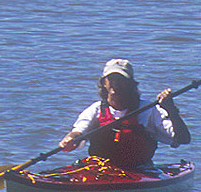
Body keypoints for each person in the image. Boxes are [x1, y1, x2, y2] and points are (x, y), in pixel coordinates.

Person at [59, 58, 191, 168]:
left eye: (121, 80)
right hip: (100, 171)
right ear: (104, 83)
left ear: (130, 84)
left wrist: (171, 110)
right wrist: (70, 138)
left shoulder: (150, 110)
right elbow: (79, 131)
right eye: (112, 79)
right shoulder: (95, 110)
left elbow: (183, 139)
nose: (116, 84)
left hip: (139, 171)